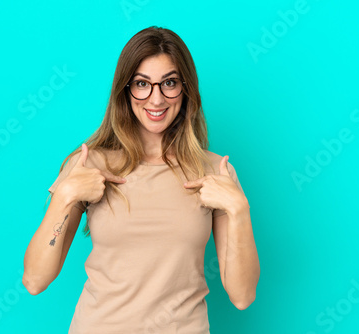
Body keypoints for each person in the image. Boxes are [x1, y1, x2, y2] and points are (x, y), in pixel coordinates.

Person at [23, 26, 260, 334]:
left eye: (170, 83)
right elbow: (34, 280)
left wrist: (239, 210)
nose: (156, 98)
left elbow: (242, 296)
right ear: (125, 89)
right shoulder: (88, 164)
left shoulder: (216, 172)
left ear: (186, 89)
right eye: (142, 84)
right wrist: (65, 194)